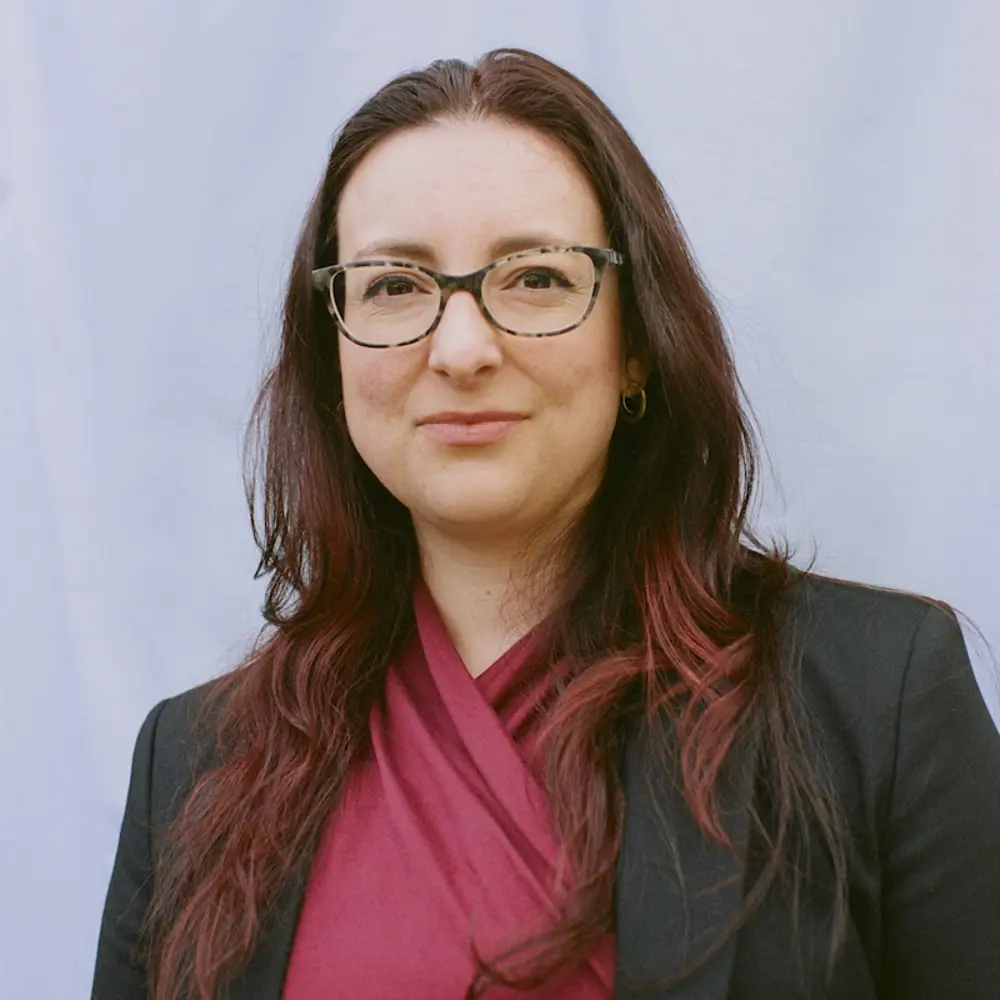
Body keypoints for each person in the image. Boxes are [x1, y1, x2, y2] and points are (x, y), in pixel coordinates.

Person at [91, 48, 1000, 1000]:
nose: (462, 349)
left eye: (536, 278)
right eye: (394, 286)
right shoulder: (195, 764)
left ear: (638, 344)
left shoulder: (870, 702)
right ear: (332, 358)